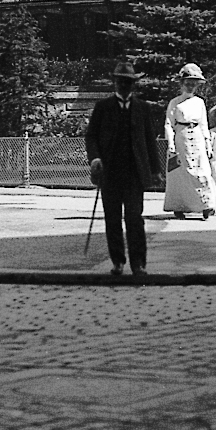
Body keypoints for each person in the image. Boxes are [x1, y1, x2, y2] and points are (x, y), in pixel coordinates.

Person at [84, 62, 165, 276]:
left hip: (134, 173)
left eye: (128, 82)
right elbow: (91, 136)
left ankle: (138, 263)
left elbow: (149, 141)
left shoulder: (143, 108)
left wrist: (155, 170)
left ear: (133, 85)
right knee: (112, 218)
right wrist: (95, 159)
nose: (124, 85)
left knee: (134, 218)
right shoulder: (103, 107)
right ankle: (118, 262)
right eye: (120, 81)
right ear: (115, 83)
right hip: (110, 172)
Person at [163, 63, 216, 219]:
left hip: (197, 138)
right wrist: (171, 144)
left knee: (202, 172)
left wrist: (207, 144)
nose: (190, 88)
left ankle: (206, 205)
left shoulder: (199, 102)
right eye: (187, 84)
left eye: (193, 85)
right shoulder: (175, 103)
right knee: (181, 173)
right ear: (182, 84)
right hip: (181, 138)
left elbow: (203, 124)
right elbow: (169, 124)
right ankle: (179, 206)